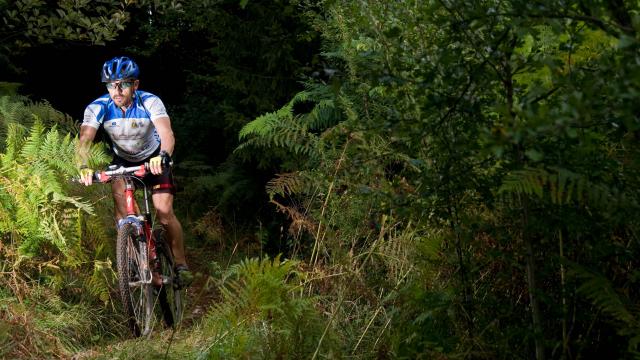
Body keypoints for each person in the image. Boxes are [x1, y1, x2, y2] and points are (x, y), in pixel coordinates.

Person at [77, 56, 192, 288]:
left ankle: (181, 264)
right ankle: (143, 261)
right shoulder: (98, 107)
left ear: (135, 85)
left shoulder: (150, 102)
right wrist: (83, 166)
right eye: (111, 85)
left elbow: (167, 134)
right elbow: (84, 140)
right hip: (123, 161)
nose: (116, 90)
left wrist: (164, 156)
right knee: (124, 216)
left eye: (123, 84)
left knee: (164, 214)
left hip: (154, 160)